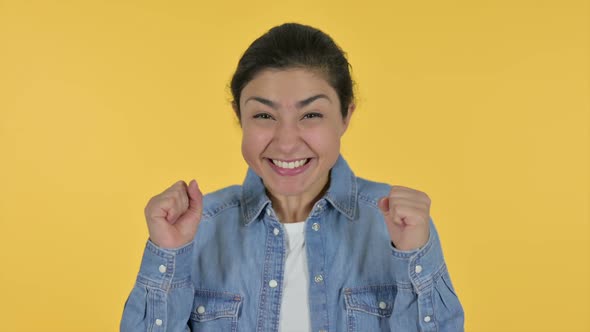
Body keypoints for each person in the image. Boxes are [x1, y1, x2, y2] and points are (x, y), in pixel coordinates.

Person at [120, 22, 464, 332]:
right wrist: (168, 255)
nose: (286, 142)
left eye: (311, 114)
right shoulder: (193, 232)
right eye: (263, 115)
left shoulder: (398, 227)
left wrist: (414, 257)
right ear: (239, 116)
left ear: (346, 116)